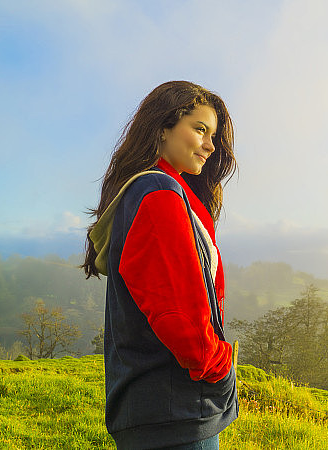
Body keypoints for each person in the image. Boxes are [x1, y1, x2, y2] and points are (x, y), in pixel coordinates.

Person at [82, 80, 238, 449]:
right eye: (199, 129)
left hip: (154, 409)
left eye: (213, 135)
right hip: (177, 414)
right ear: (163, 128)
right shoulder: (159, 196)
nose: (210, 145)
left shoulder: (146, 192)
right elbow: (180, 316)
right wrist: (220, 367)